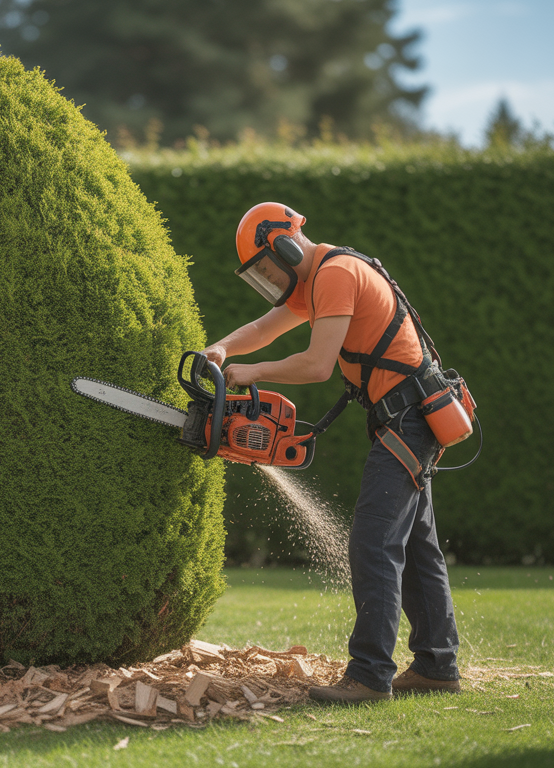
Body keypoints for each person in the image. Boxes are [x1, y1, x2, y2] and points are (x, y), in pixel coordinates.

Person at [202, 202, 461, 702]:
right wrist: (223, 349)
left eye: (267, 267)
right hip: (402, 416)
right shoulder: (317, 280)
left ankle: (368, 676)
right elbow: (266, 327)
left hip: (407, 417)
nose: (270, 278)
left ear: (285, 243)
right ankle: (436, 665)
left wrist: (252, 372)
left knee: (373, 541)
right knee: (415, 545)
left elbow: (319, 365)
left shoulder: (336, 274)